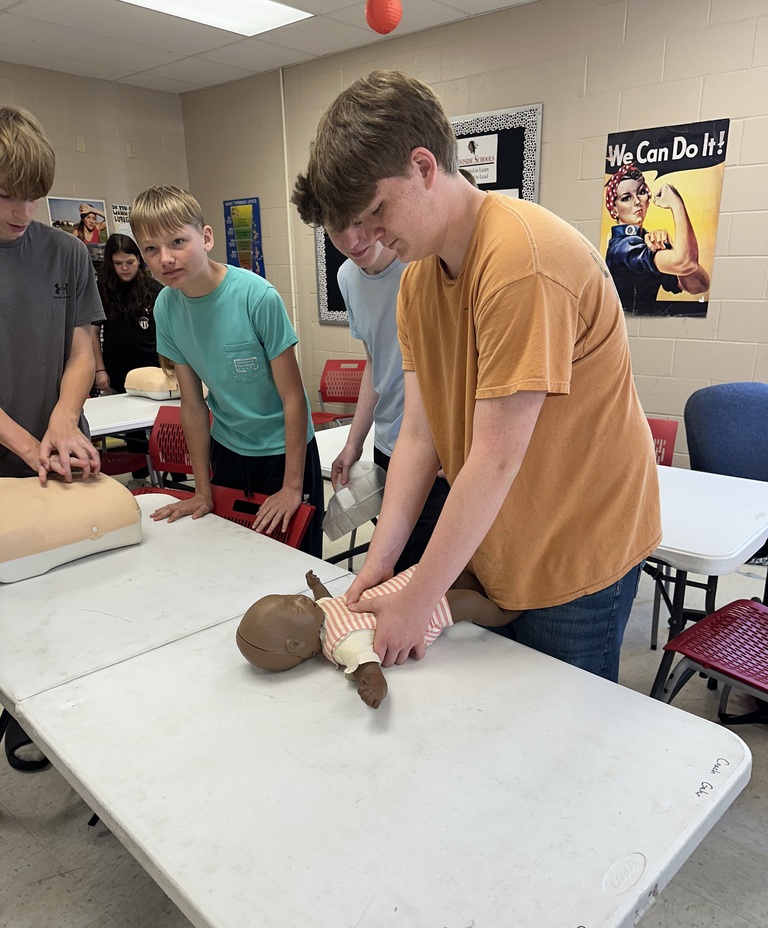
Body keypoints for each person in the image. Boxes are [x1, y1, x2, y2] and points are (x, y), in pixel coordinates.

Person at [295, 69, 661, 683]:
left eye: (377, 210)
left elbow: (492, 458)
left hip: (577, 549)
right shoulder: (416, 280)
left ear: (423, 165)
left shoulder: (521, 261)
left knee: (561, 733)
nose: (369, 235)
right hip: (506, 538)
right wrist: (380, 564)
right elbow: (419, 435)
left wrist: (416, 602)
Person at [129, 185, 324, 556]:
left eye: (177, 242)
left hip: (285, 453)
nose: (166, 258)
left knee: (295, 565)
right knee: (235, 557)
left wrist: (292, 487)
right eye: (151, 249)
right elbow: (192, 406)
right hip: (229, 450)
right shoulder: (166, 307)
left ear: (205, 238)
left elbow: (293, 399)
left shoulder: (256, 296)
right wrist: (201, 490)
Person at [0, 104, 103, 771]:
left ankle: (78, 713)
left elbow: (83, 347)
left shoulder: (65, 250)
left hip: (65, 456)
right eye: (7, 196)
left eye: (32, 195)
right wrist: (28, 445)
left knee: (79, 594)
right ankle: (18, 713)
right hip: (12, 466)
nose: (23, 211)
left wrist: (63, 420)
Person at [291, 181, 449, 572]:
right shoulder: (347, 277)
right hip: (390, 443)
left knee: (432, 573)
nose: (350, 239)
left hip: (437, 448)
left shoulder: (422, 264)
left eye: (358, 221)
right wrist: (354, 442)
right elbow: (375, 364)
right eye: (333, 228)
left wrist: (457, 443)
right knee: (395, 564)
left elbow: (461, 366)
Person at [236, 569, 518, 708]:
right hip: (420, 618)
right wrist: (375, 689)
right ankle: (504, 615)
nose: (298, 598)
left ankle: (484, 585)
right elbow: (367, 668)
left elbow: (326, 601)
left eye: (290, 596)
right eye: (294, 606)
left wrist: (317, 586)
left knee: (456, 576)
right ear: (296, 645)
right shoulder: (343, 644)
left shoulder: (317, 613)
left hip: (407, 588)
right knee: (468, 602)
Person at [604, 164, 710, 316]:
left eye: (640, 192)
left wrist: (670, 248)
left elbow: (699, 286)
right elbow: (686, 262)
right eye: (626, 198)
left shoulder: (647, 242)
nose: (637, 201)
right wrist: (676, 204)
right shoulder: (621, 247)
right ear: (614, 209)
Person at [93, 233, 163, 394]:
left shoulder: (155, 290)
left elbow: (168, 333)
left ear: (138, 259)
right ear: (111, 264)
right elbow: (93, 333)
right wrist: (99, 370)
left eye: (130, 262)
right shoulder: (101, 290)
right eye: (118, 263)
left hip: (152, 372)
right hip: (114, 374)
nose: (124, 268)